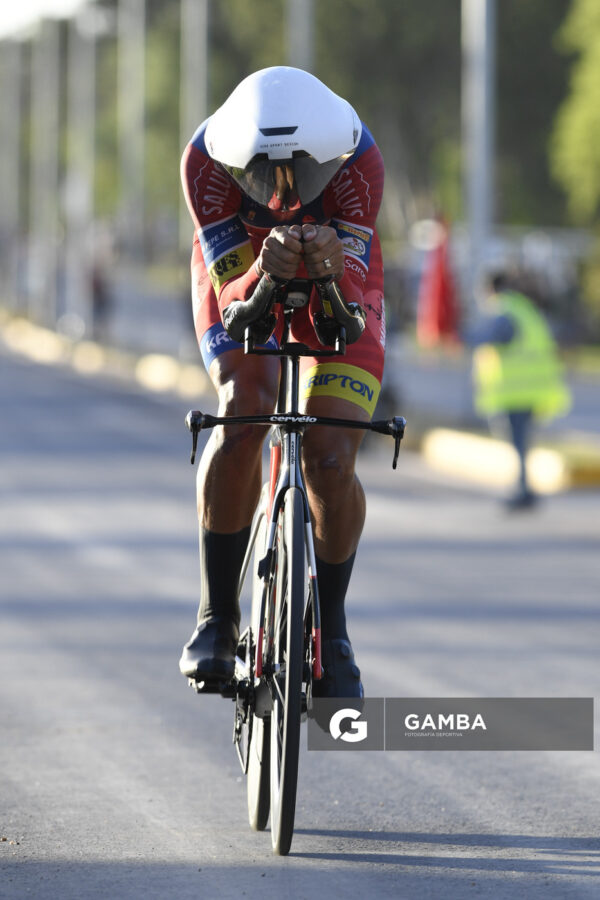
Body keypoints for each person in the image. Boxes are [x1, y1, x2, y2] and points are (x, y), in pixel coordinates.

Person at [178, 67, 386, 697]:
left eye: (302, 172)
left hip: (340, 280)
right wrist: (265, 278)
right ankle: (217, 614)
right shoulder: (204, 162)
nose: (282, 195)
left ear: (332, 156)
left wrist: (329, 273)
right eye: (263, 175)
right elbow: (237, 306)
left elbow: (346, 317)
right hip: (243, 274)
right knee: (245, 407)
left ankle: (334, 625)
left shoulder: (360, 161)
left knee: (330, 456)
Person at [467, 271, 571, 510]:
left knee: (519, 443)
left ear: (491, 289)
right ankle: (524, 489)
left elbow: (488, 337)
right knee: (522, 443)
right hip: (531, 389)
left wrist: (458, 334)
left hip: (516, 392)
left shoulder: (504, 311)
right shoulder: (524, 309)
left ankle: (524, 490)